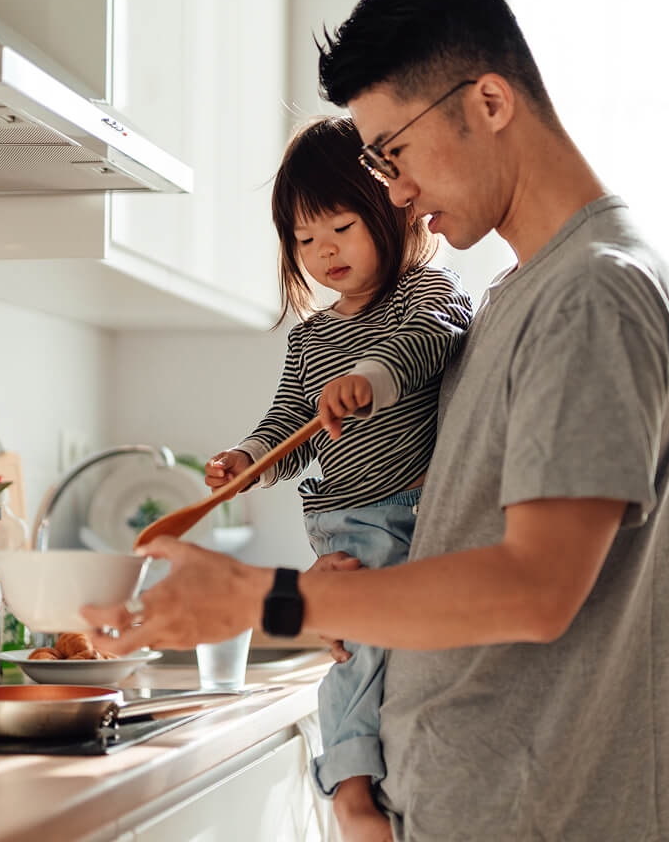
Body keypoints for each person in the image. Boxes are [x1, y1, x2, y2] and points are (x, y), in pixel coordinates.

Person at [87, 0, 669, 842]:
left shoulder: (591, 292)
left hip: (539, 815)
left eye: (394, 151)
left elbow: (537, 588)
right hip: (484, 806)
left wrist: (269, 599)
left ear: (489, 103)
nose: (393, 189)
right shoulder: (517, 295)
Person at [201, 115, 472, 838]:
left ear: (391, 208)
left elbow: (431, 340)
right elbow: (288, 423)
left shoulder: (424, 292)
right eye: (303, 240)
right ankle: (353, 786)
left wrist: (369, 379)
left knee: (369, 650)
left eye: (340, 228)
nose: (323, 252)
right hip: (344, 520)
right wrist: (245, 463)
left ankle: (354, 787)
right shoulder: (310, 337)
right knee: (357, 648)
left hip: (408, 510)